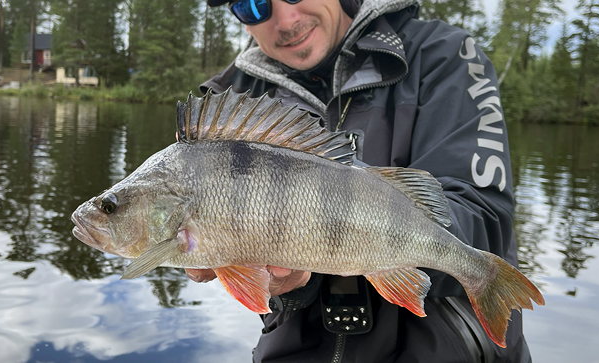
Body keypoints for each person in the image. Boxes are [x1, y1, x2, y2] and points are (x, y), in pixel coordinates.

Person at [187, 0, 532, 361]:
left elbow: (485, 218)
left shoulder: (445, 55)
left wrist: (346, 234)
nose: (286, 21)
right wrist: (288, 281)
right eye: (252, 5)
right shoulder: (232, 105)